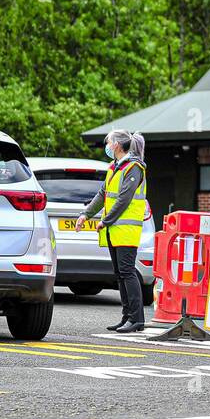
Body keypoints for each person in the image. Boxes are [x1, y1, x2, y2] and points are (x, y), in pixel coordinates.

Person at [79, 129, 148, 333]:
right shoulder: (115, 167)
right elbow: (103, 194)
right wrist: (86, 215)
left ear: (117, 145)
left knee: (127, 272)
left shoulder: (134, 167)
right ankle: (127, 317)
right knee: (120, 274)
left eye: (108, 142)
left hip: (126, 229)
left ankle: (137, 319)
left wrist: (106, 221)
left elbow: (124, 198)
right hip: (115, 231)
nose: (107, 146)